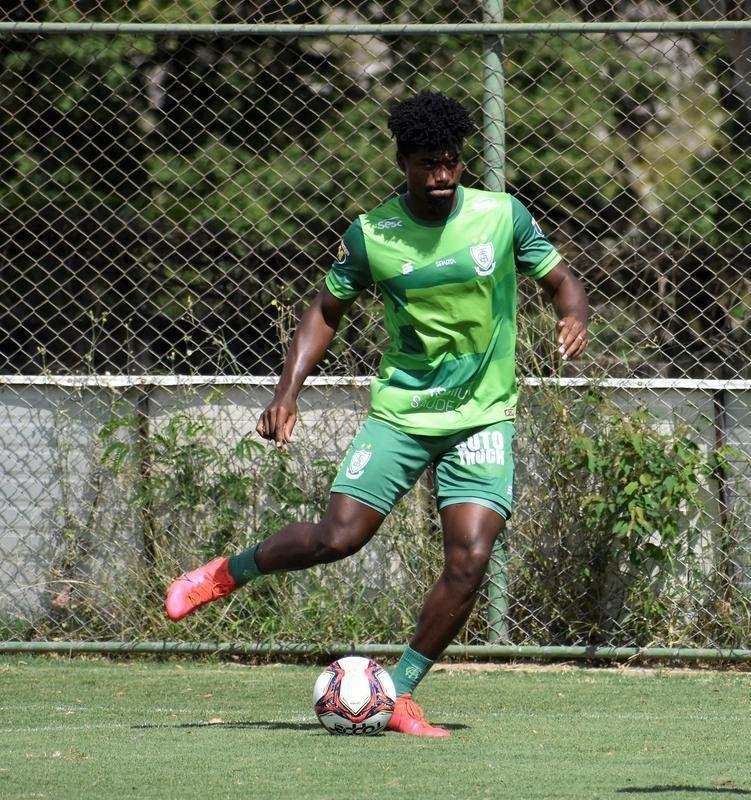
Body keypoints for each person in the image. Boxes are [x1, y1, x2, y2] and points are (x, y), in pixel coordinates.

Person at [165, 91, 588, 737]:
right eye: (427, 164)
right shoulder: (372, 234)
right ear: (402, 163)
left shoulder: (501, 215)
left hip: (483, 416)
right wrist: (287, 391)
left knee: (471, 558)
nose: (441, 175)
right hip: (402, 413)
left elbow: (560, 279)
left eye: (450, 162)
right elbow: (325, 310)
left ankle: (401, 693)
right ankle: (226, 573)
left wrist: (573, 314)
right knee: (337, 539)